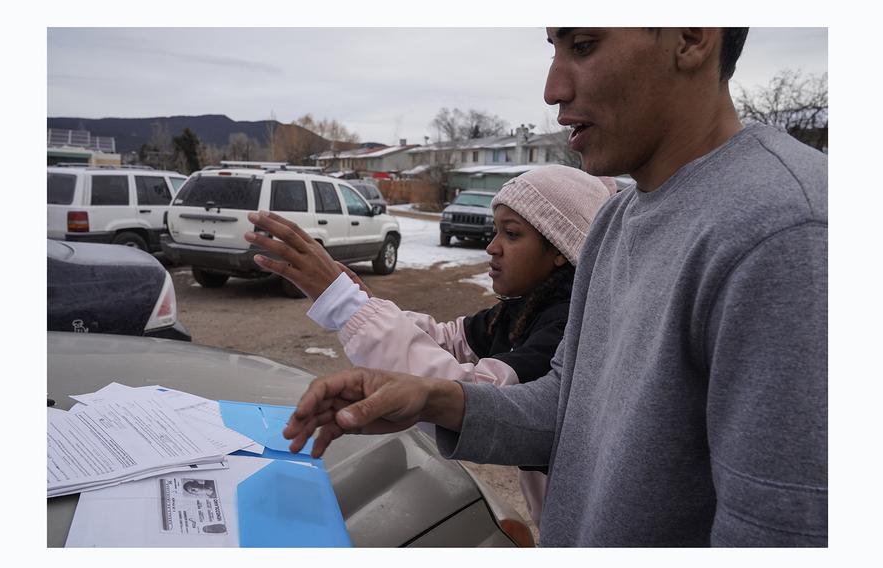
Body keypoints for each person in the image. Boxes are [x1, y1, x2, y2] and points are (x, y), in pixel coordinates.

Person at [282, 28, 827, 546]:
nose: (553, 89)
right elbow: (568, 412)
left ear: (690, 36)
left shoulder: (785, 230)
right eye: (553, 48)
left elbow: (781, 533)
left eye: (584, 45)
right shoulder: (617, 219)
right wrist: (438, 399)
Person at [244, 165, 614, 525]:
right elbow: (448, 340)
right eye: (495, 231)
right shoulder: (523, 308)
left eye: (511, 234)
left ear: (560, 249)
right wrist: (363, 304)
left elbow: (480, 395)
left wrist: (349, 306)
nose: (491, 247)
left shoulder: (565, 324)